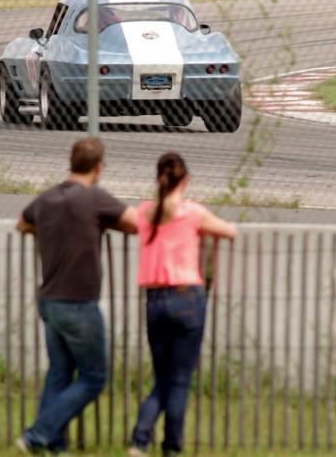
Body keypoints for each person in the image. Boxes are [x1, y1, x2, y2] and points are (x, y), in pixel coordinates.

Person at [15, 137, 138, 454]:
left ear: (71, 162)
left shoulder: (47, 199)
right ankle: (37, 434)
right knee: (94, 377)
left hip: (49, 301)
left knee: (59, 372)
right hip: (78, 303)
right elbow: (137, 224)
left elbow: (22, 224)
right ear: (98, 168)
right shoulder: (93, 198)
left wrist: (50, 231)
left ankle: (54, 445)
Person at [128, 152, 236, 457]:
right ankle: (171, 447)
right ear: (185, 180)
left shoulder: (145, 212)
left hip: (155, 301)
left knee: (162, 377)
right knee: (178, 381)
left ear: (158, 179)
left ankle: (139, 441)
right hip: (187, 298)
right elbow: (229, 231)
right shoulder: (192, 214)